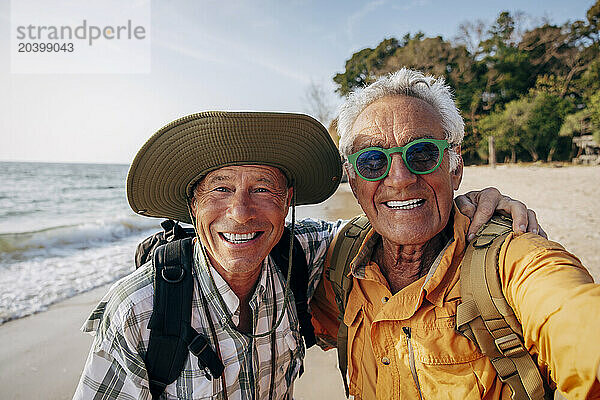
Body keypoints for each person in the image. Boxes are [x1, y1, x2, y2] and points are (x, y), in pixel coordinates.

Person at [73, 111, 539, 400]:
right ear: (191, 208)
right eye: (220, 189)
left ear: (288, 202)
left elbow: (390, 222)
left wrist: (468, 205)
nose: (241, 213)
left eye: (262, 189)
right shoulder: (139, 309)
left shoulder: (301, 256)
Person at [309, 68, 600, 399]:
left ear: (455, 167)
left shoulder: (510, 262)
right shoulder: (339, 261)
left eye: (422, 153)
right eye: (373, 161)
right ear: (354, 180)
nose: (400, 178)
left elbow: (573, 314)